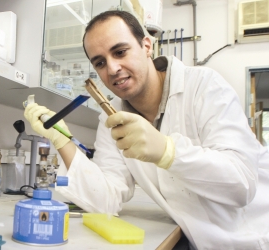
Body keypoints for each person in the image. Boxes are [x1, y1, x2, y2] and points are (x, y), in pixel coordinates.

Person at [24, 10, 269, 249]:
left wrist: (168, 152)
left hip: (254, 238)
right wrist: (61, 139)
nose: (112, 69)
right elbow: (107, 199)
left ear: (147, 46)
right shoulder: (111, 119)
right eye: (100, 62)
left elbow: (241, 186)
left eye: (120, 52)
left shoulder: (204, 86)